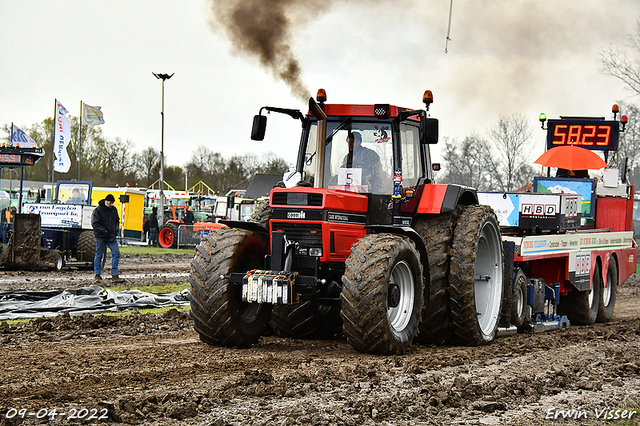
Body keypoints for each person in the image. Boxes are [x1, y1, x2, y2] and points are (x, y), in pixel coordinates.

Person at [92, 194, 124, 283]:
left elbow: (117, 220)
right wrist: (104, 231)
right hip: (101, 236)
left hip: (111, 236)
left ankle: (115, 274)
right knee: (99, 255)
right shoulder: (98, 210)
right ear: (106, 201)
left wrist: (116, 228)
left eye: (112, 203)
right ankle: (97, 275)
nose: (111, 204)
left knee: (116, 253)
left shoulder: (114, 210)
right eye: (110, 202)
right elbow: (95, 223)